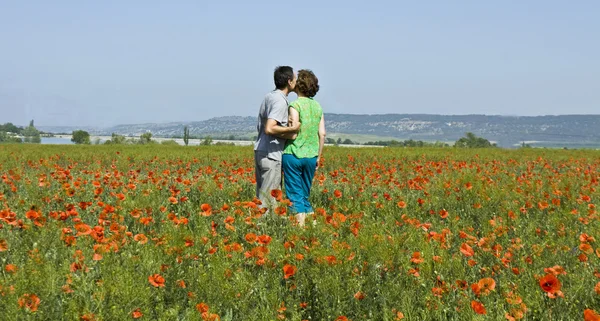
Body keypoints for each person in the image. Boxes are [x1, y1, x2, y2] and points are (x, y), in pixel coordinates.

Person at [282, 69, 326, 226]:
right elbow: (322, 134)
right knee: (304, 195)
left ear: (298, 85)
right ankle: (312, 228)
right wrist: (318, 157)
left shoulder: (295, 105)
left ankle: (298, 231)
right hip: (311, 156)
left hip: (293, 154)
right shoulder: (318, 107)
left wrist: (277, 134)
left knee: (294, 195)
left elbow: (293, 132)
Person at [254, 66, 300, 210]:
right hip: (271, 155)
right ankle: (262, 229)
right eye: (294, 78)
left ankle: (259, 226)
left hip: (261, 150)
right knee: (268, 199)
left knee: (262, 195)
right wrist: (292, 130)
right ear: (289, 81)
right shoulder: (280, 101)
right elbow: (269, 128)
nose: (296, 81)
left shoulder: (269, 96)